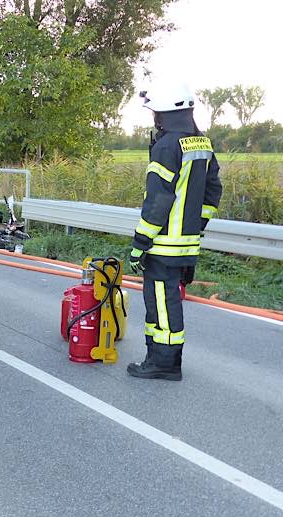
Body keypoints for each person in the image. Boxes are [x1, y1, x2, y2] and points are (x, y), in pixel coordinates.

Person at [127, 81, 222, 381]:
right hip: (187, 244)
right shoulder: (202, 144)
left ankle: (163, 363)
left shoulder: (167, 145)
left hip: (163, 244)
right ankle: (159, 358)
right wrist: (197, 225)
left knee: (162, 304)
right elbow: (213, 191)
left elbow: (158, 199)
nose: (154, 118)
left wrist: (140, 243)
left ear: (165, 113)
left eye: (155, 112)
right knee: (166, 301)